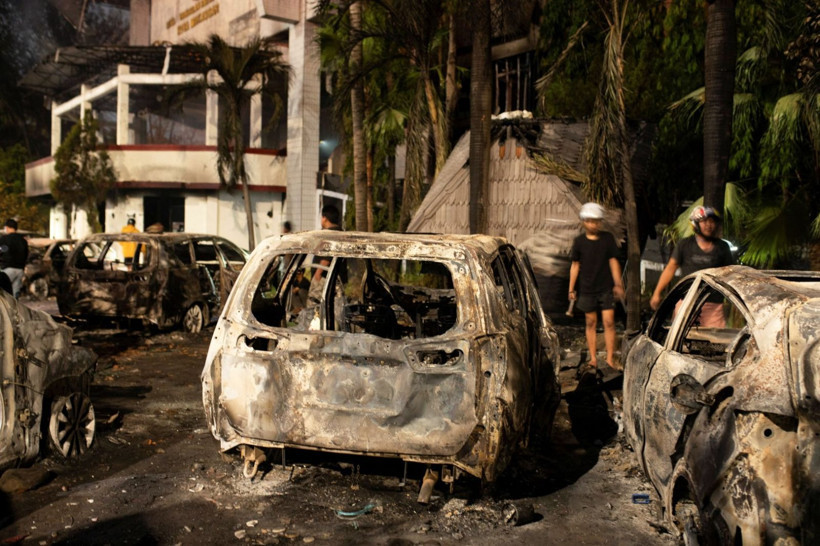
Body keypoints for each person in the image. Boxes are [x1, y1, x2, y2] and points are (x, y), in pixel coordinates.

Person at [650, 205, 734, 326]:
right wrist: (657, 293)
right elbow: (670, 268)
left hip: (713, 304)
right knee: (679, 338)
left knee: (716, 340)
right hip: (686, 301)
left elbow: (730, 273)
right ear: (695, 224)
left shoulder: (723, 247)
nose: (709, 225)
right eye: (705, 221)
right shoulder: (684, 245)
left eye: (712, 221)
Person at [568, 203, 624, 370]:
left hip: (605, 288)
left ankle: (609, 359)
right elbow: (575, 265)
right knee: (591, 322)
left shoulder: (607, 239)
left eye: (596, 221)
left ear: (600, 222)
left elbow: (613, 261)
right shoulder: (579, 242)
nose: (593, 224)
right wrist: (571, 288)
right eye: (590, 221)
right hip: (587, 288)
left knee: (609, 322)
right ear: (584, 222)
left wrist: (618, 284)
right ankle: (593, 358)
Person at [0, 219, 29, 298]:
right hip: (20, 270)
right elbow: (27, 254)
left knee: (3, 295)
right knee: (15, 295)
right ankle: (14, 310)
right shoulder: (23, 241)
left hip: (7, 270)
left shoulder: (4, 239)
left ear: (8, 227)